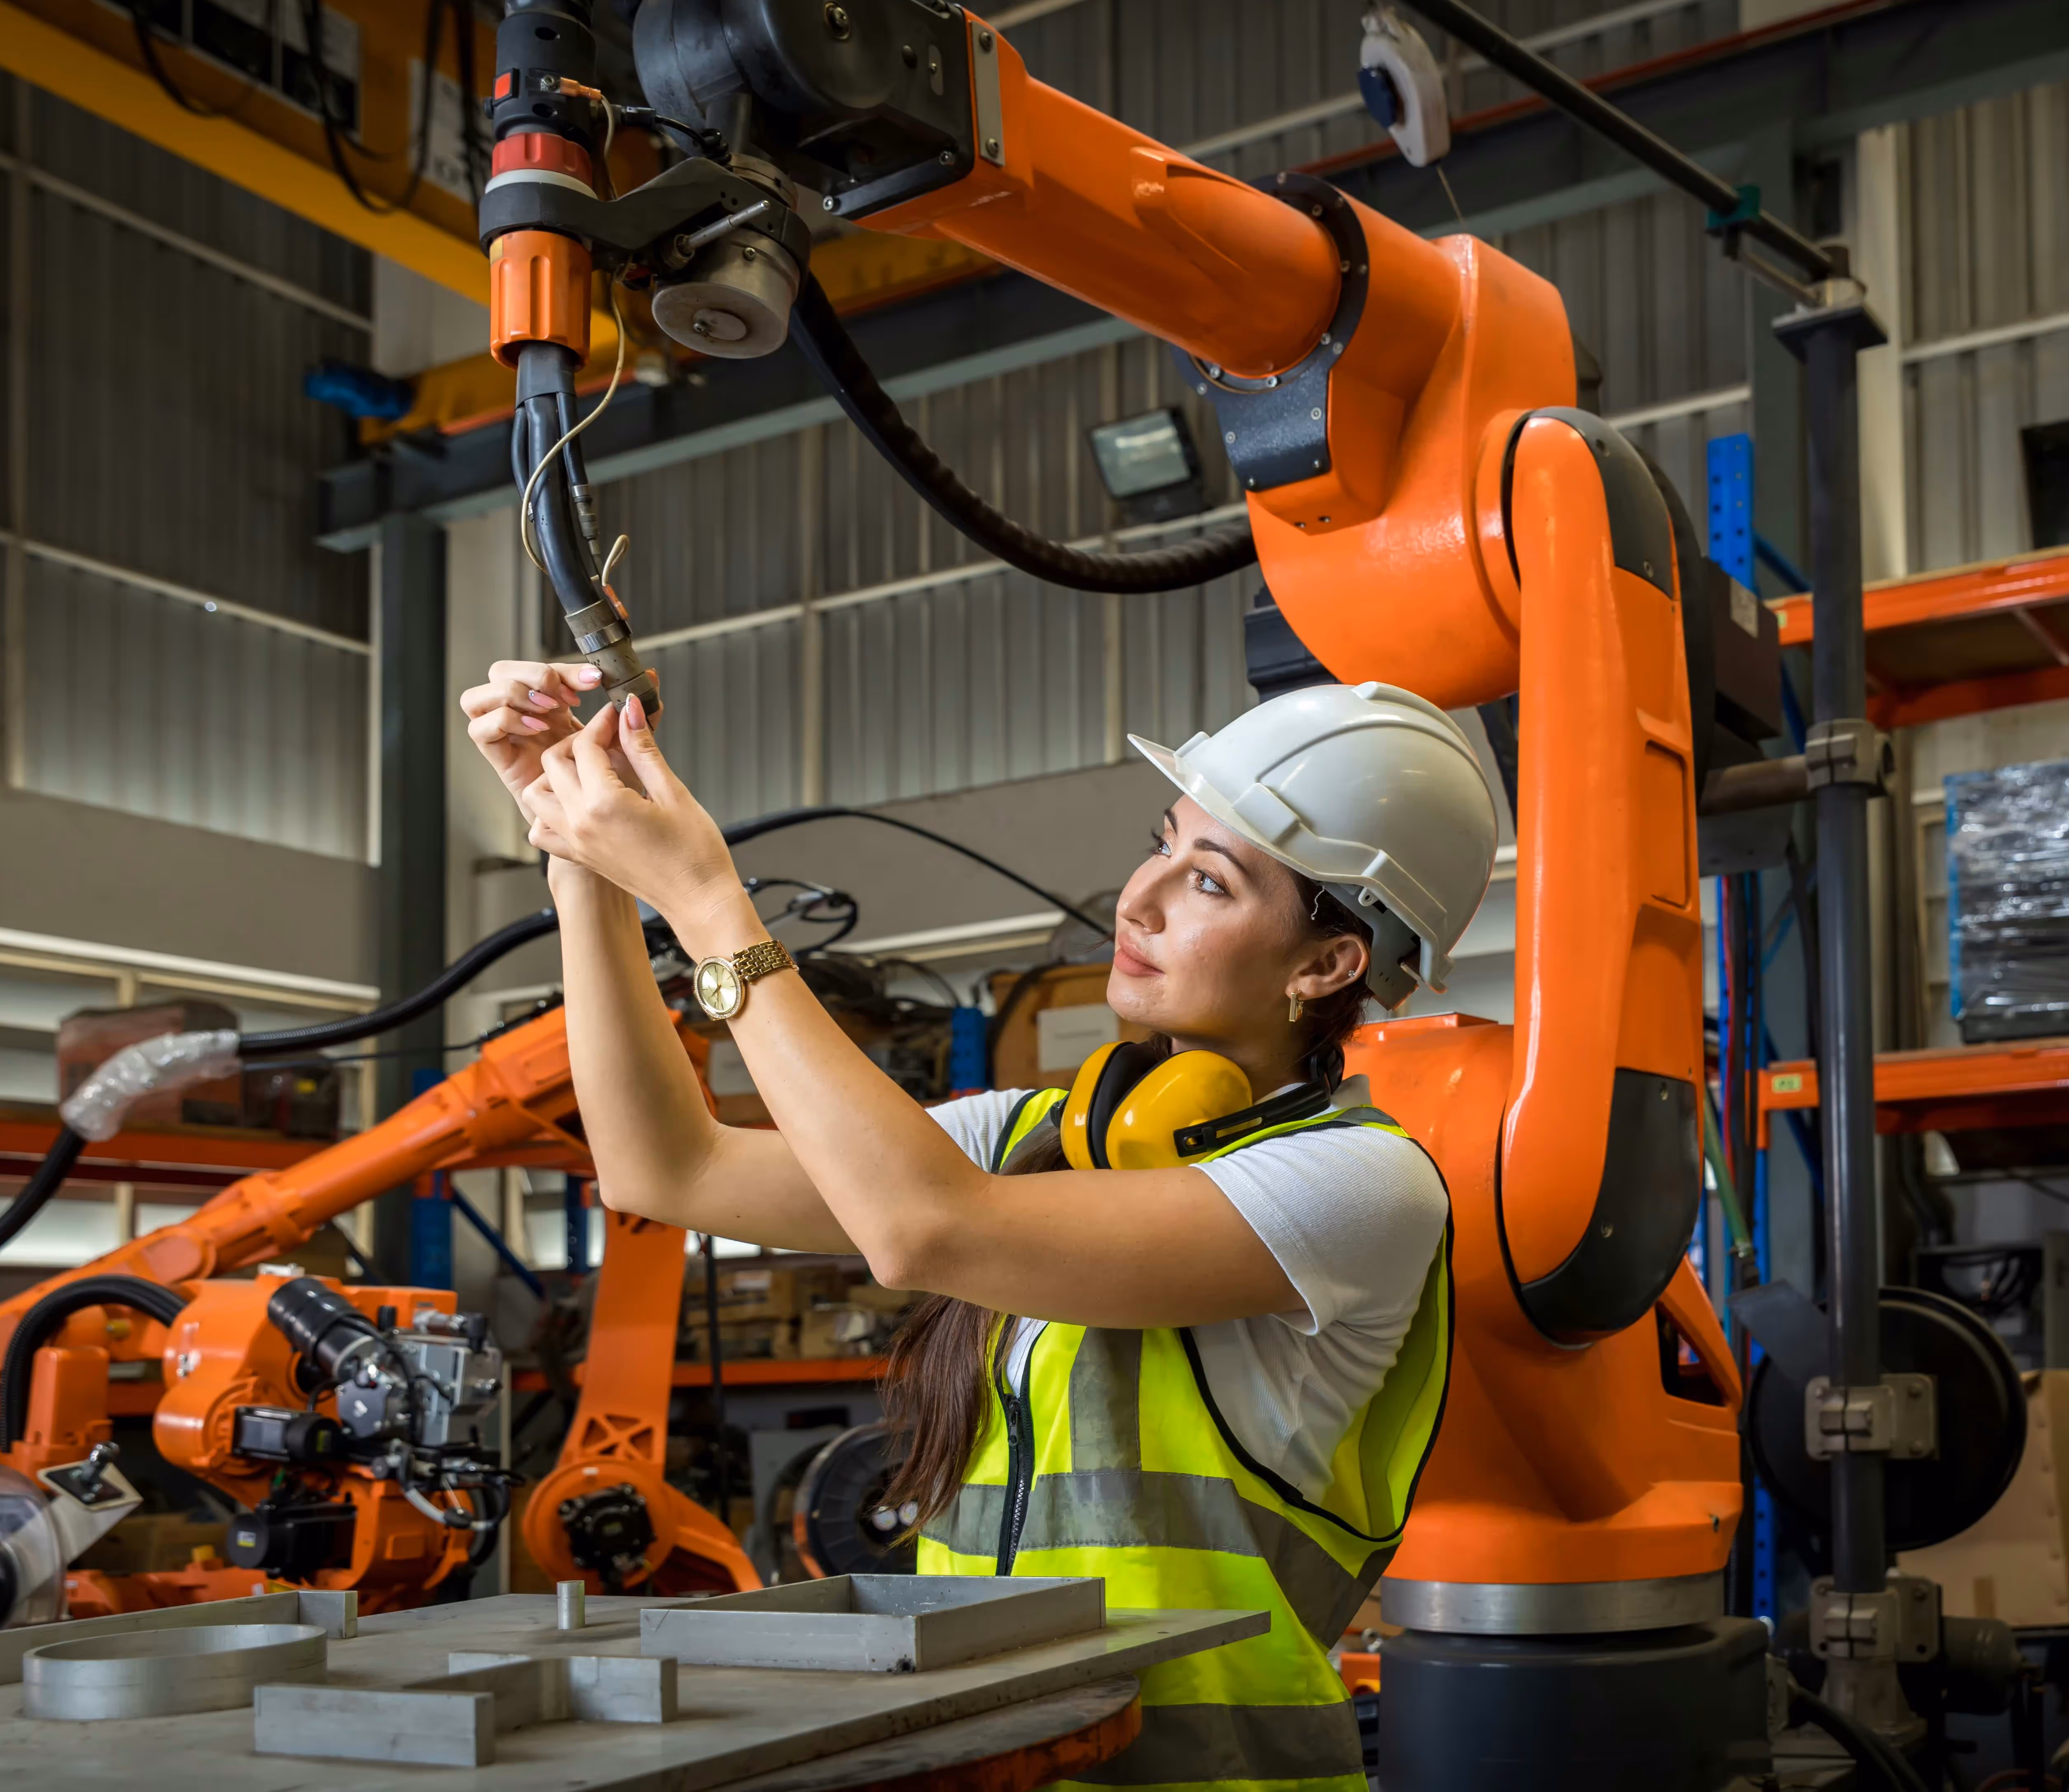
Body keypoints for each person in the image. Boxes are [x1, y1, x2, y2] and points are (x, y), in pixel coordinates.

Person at [460, 660, 1499, 1791]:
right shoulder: (1034, 1137)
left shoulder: (1359, 1191)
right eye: (1163, 841)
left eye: (1210, 882)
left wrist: (711, 901)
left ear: (1329, 963)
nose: (1139, 898)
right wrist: (583, 863)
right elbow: (666, 1166)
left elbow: (917, 1229)